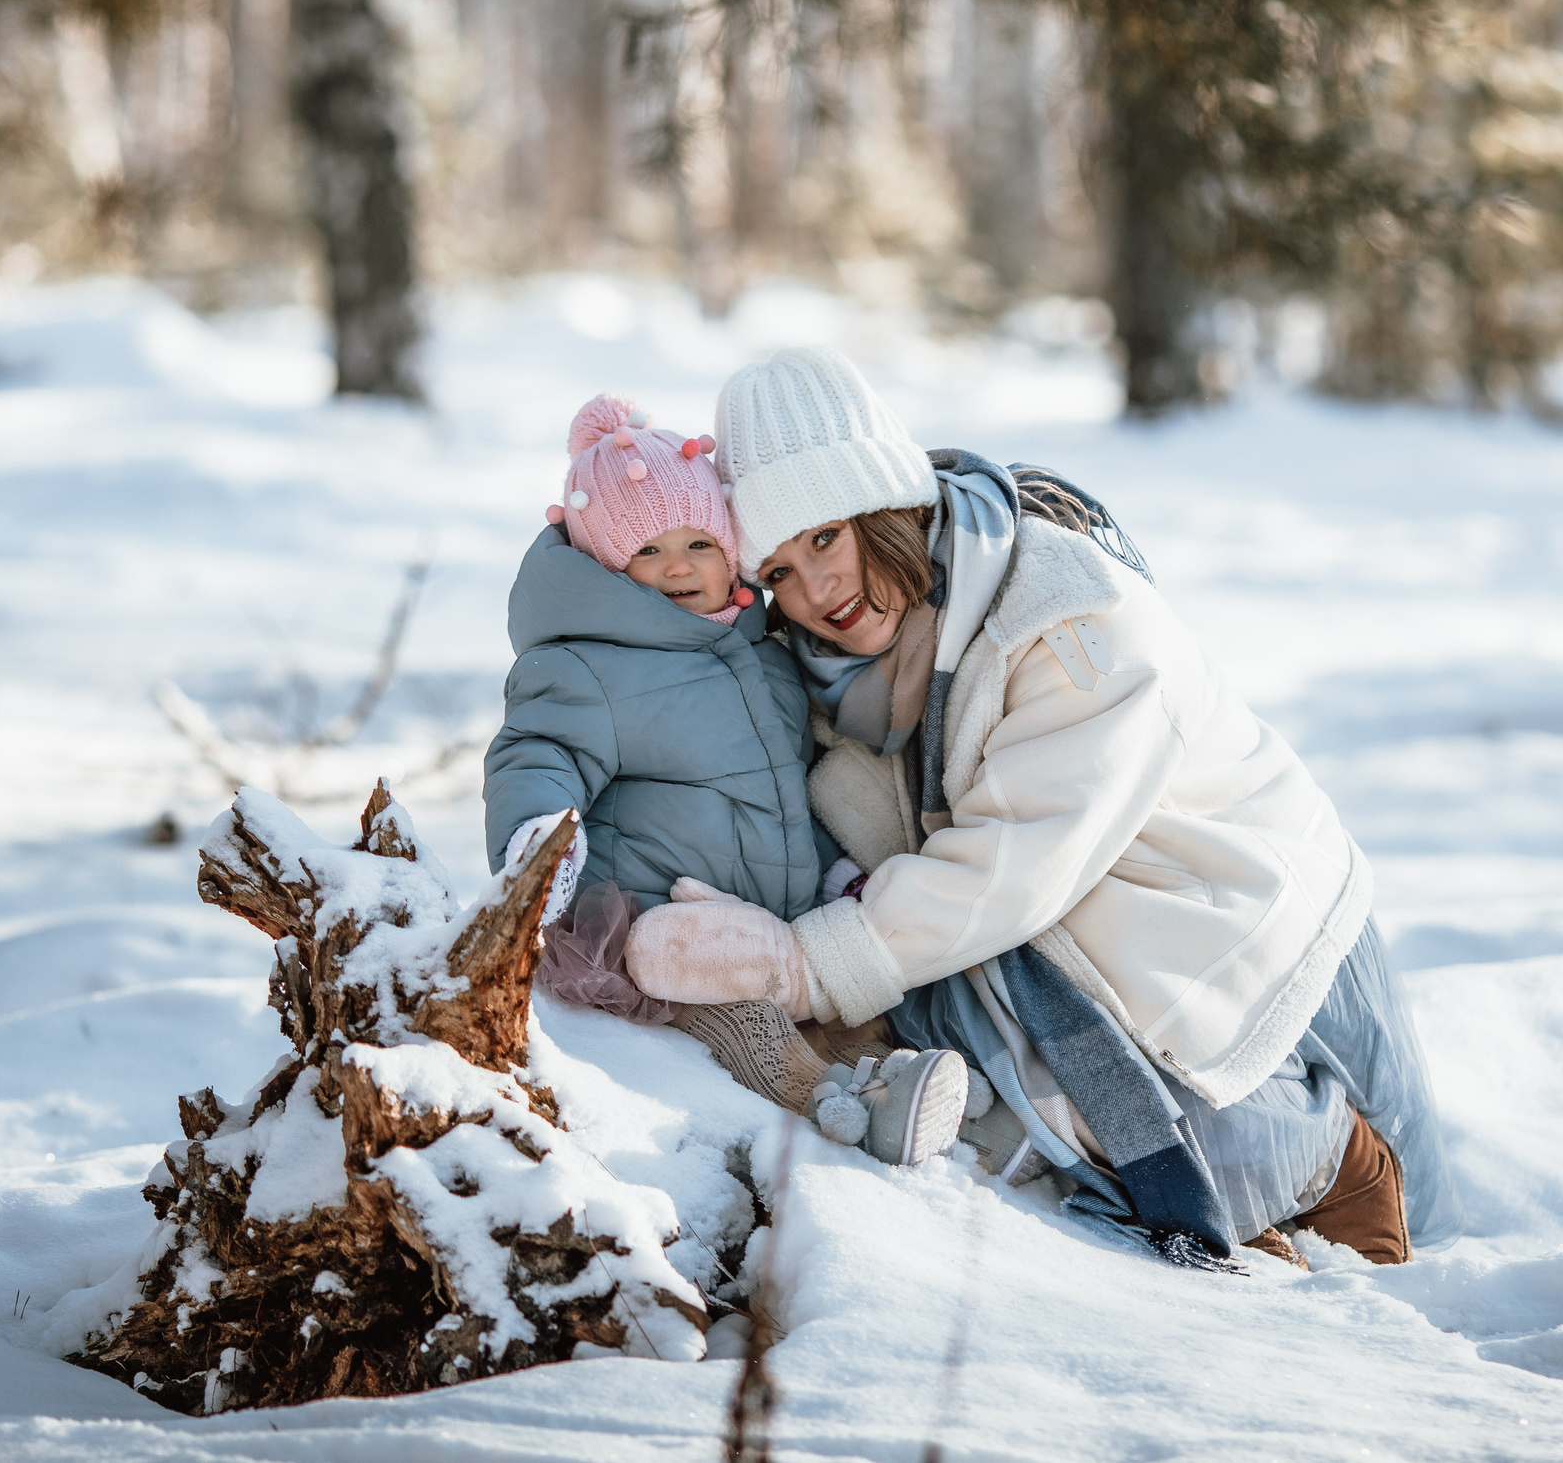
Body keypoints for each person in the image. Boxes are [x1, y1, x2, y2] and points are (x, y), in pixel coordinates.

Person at [622, 347, 1459, 1267]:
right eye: (778, 570)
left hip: (1255, 935)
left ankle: (1333, 1163)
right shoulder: (845, 673)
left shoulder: (1068, 617)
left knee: (1264, 1158)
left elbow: (1015, 861)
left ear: (888, 506)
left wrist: (802, 963)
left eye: (827, 536)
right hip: (1109, 926)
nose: (817, 592)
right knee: (978, 1031)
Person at [481, 392, 971, 1166]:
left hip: (767, 928)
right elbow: (535, 752)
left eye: (699, 542)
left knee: (857, 1013)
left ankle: (899, 1092)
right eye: (646, 550)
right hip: (655, 933)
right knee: (751, 1027)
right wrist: (540, 840)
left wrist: (836, 870)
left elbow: (786, 793)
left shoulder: (764, 660)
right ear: (607, 566)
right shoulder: (586, 664)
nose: (678, 565)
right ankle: (831, 1108)